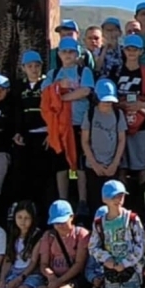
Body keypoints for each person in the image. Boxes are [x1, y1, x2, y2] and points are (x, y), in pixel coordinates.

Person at [44, 36, 96, 210]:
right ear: (59, 54)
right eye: (64, 51)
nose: (67, 55)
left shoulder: (84, 71)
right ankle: (62, 201)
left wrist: (61, 97)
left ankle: (82, 201)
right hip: (59, 127)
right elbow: (45, 95)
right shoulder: (53, 74)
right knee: (61, 165)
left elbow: (85, 91)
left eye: (71, 51)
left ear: (77, 54)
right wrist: (60, 86)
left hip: (80, 124)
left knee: (80, 165)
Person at [13, 51, 52, 213]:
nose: (34, 69)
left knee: (45, 176)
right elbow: (17, 111)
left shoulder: (47, 84)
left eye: (37, 66)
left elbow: (54, 109)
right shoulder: (19, 87)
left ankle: (44, 211)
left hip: (44, 135)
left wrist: (51, 133)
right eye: (30, 66)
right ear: (23, 68)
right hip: (27, 136)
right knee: (26, 175)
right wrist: (17, 132)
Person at [117, 33, 145, 187]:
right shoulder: (116, 71)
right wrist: (120, 105)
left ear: (141, 51)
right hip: (119, 122)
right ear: (124, 50)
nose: (132, 52)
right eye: (129, 49)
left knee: (141, 163)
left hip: (142, 123)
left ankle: (142, 195)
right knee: (121, 163)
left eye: (135, 49)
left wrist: (144, 104)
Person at [82, 78, 127, 202]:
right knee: (95, 200)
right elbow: (85, 141)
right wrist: (95, 165)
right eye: (104, 100)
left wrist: (114, 164)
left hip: (112, 166)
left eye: (110, 101)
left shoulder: (118, 114)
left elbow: (121, 140)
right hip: (93, 167)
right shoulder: (90, 114)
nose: (107, 103)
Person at [98, 17, 124, 82]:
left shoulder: (124, 50)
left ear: (120, 33)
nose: (110, 33)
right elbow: (97, 68)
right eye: (107, 30)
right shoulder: (97, 51)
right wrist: (105, 48)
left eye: (113, 30)